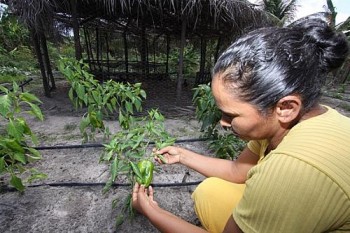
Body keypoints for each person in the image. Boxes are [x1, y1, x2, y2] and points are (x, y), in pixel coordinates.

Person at [132, 15, 350, 233]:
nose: (223, 122)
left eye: (230, 115)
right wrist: (182, 155)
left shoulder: (294, 169)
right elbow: (238, 171)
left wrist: (153, 212)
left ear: (286, 108)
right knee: (210, 192)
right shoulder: (295, 121)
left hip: (293, 187)